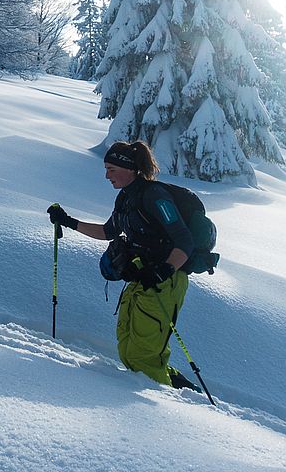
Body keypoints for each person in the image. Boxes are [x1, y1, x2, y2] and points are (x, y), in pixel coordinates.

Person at [47, 140, 200, 392]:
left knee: (143, 355)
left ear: (129, 168)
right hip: (141, 278)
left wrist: (164, 270)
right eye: (106, 169)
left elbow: (185, 241)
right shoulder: (125, 199)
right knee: (128, 348)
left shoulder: (155, 196)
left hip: (166, 281)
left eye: (111, 169)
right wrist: (69, 222)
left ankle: (166, 404)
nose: (107, 175)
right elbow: (108, 231)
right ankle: (178, 389)